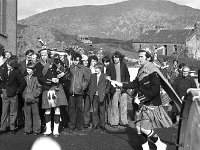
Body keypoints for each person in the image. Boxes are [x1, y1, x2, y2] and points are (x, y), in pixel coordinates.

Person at [110, 49, 172, 150]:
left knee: (144, 128)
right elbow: (135, 84)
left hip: (151, 105)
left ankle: (160, 145)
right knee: (139, 129)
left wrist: (141, 99)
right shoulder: (141, 70)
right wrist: (120, 84)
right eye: (139, 56)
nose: (139, 59)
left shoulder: (153, 71)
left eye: (141, 57)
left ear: (148, 58)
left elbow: (155, 91)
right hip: (141, 104)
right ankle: (145, 148)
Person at [35, 49, 68, 137]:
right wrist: (50, 80)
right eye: (42, 55)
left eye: (45, 55)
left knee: (57, 108)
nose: (43, 57)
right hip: (47, 88)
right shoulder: (38, 65)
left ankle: (56, 130)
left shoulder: (54, 63)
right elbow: (40, 78)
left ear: (48, 55)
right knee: (48, 109)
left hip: (56, 87)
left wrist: (61, 75)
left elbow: (64, 70)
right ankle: (48, 129)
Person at [0, 59, 27, 134]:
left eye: (9, 65)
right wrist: (3, 89)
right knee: (4, 112)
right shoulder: (4, 70)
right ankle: (2, 128)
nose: (7, 67)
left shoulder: (17, 72)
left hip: (13, 94)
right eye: (7, 65)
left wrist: (17, 91)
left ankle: (12, 128)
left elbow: (23, 83)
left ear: (13, 66)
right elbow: (2, 81)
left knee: (13, 112)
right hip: (5, 93)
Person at [106, 51, 130, 127]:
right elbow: (107, 76)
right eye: (114, 57)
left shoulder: (124, 65)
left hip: (123, 88)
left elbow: (127, 76)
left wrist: (125, 85)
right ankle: (114, 122)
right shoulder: (110, 66)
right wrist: (109, 79)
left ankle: (124, 121)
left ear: (120, 58)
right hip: (114, 89)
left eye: (117, 57)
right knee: (114, 106)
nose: (115, 59)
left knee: (124, 106)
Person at [68, 52, 90, 131]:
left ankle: (80, 126)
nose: (75, 62)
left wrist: (82, 87)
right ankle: (71, 125)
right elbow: (68, 78)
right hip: (71, 92)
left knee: (80, 109)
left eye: (77, 60)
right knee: (71, 109)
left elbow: (87, 79)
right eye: (74, 60)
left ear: (79, 60)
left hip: (79, 92)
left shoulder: (83, 68)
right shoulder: (70, 68)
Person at [88, 62, 109, 131]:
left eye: (97, 68)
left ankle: (102, 125)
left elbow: (108, 86)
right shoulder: (93, 76)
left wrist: (105, 93)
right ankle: (95, 124)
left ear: (101, 68)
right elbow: (91, 85)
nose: (96, 70)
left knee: (102, 111)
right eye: (95, 68)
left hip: (101, 95)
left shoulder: (104, 76)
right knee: (95, 111)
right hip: (94, 96)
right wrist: (91, 92)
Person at [22, 62, 42, 135]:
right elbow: (23, 87)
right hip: (26, 98)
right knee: (27, 114)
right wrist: (24, 95)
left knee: (35, 114)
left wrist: (36, 95)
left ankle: (36, 130)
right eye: (27, 69)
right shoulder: (25, 77)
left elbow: (39, 87)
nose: (28, 71)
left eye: (30, 69)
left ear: (33, 70)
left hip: (34, 98)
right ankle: (28, 129)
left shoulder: (36, 78)